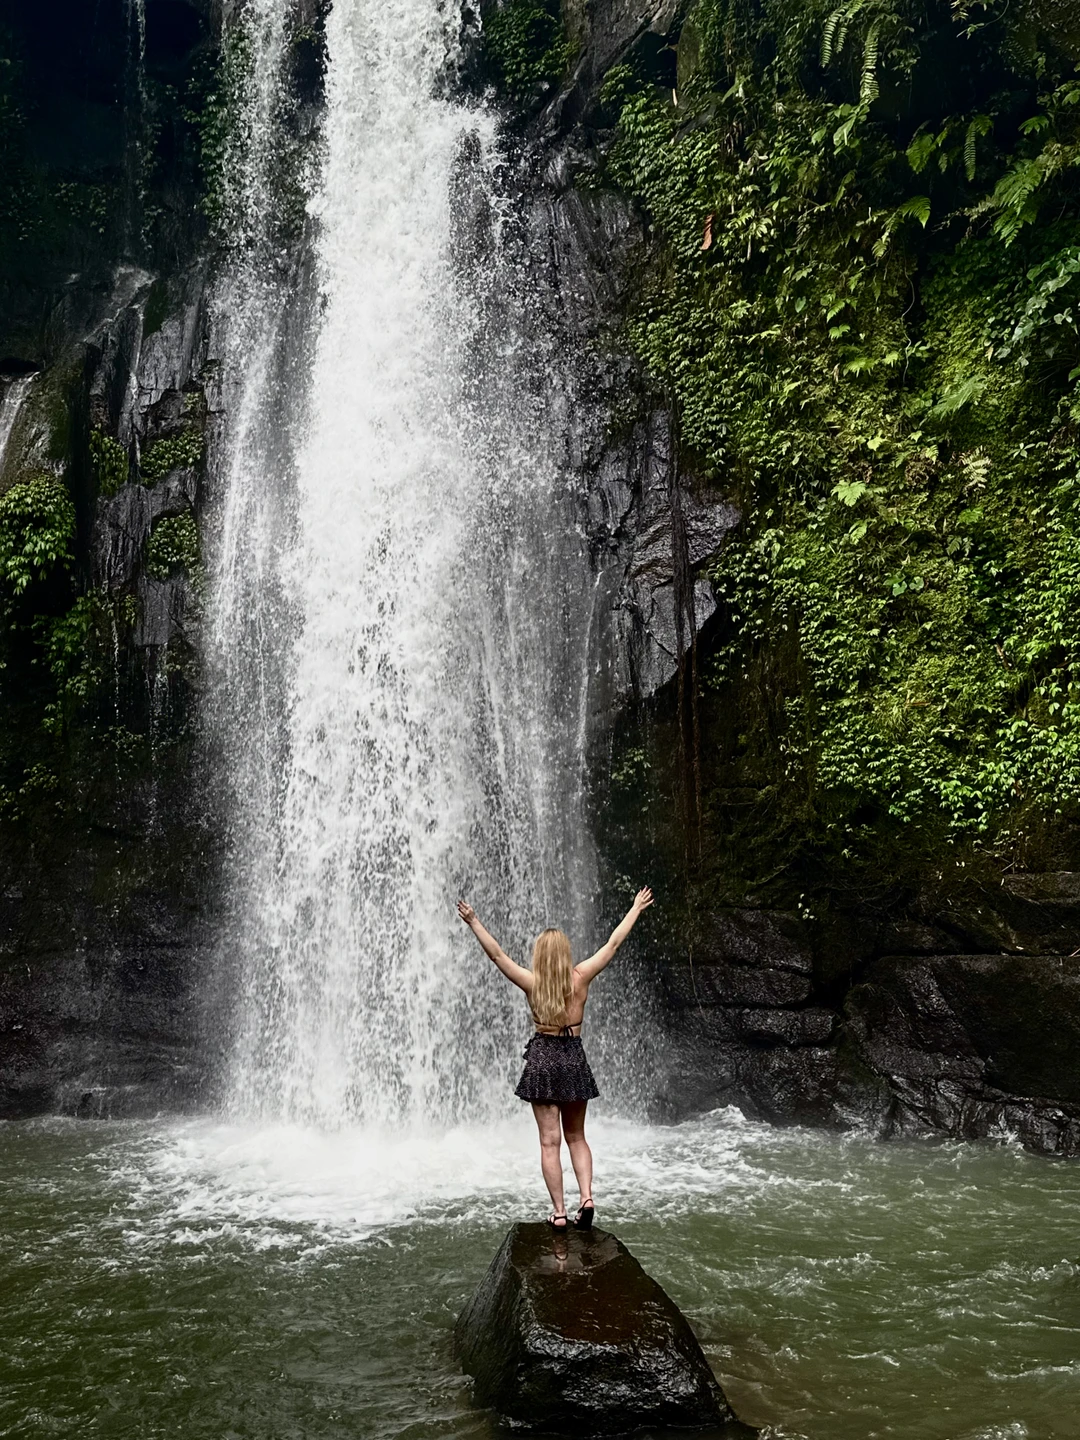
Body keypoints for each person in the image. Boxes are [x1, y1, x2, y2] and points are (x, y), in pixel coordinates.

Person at [456, 888, 654, 1232]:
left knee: (550, 1142)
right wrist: (635, 908)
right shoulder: (581, 977)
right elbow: (612, 945)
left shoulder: (532, 983)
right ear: (564, 954)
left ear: (540, 956)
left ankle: (559, 1212)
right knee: (576, 1136)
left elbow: (498, 955)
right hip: (573, 1056)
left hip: (544, 1059)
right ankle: (587, 1198)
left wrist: (474, 921)